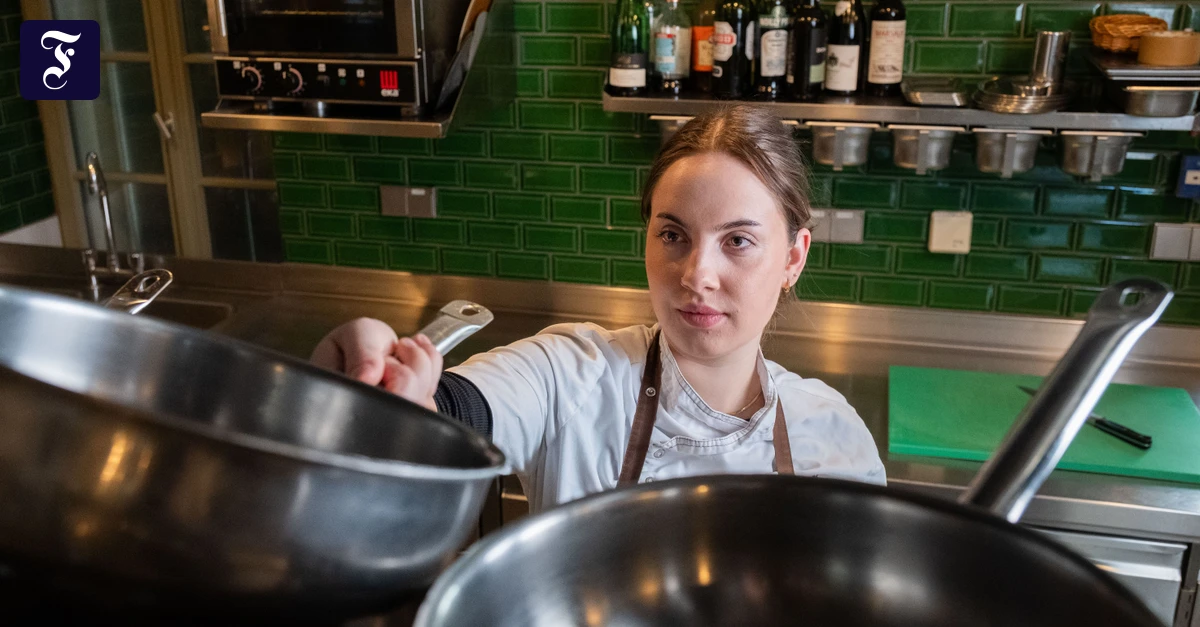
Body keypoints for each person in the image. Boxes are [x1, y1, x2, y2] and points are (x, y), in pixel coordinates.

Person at [311, 105, 885, 513]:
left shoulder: (831, 439)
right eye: (673, 235)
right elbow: (460, 409)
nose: (696, 275)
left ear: (793, 257)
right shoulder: (574, 375)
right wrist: (400, 399)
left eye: (737, 240)